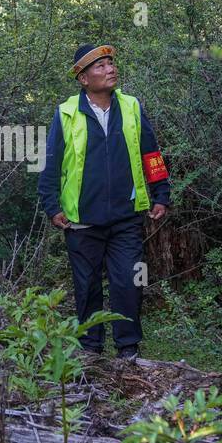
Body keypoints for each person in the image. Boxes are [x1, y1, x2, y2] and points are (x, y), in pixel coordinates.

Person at [37, 43, 171, 360]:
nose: (110, 69)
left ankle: (128, 349)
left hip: (126, 217)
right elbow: (51, 163)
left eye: (111, 63)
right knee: (87, 288)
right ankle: (91, 351)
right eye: (101, 66)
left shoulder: (132, 108)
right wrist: (51, 206)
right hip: (81, 220)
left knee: (128, 282)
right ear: (83, 78)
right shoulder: (66, 112)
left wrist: (161, 193)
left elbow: (151, 155)